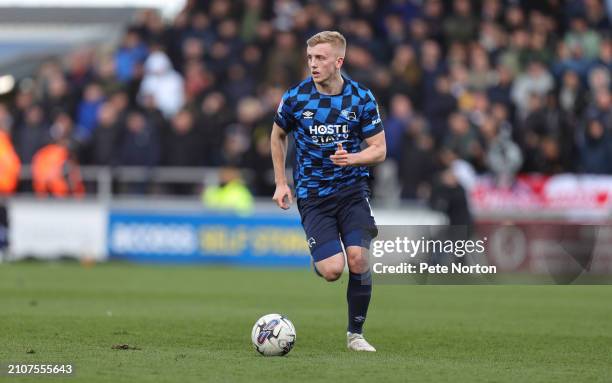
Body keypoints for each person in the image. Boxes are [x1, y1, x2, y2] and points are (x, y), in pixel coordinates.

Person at [270, 31, 386, 352]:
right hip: (313, 196)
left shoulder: (361, 98)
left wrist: (353, 158)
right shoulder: (295, 97)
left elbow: (379, 149)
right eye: (309, 58)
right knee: (333, 270)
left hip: (352, 191)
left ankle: (355, 335)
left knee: (359, 259)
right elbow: (277, 135)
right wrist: (281, 182)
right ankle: (322, 259)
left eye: (320, 58)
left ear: (339, 61)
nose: (313, 64)